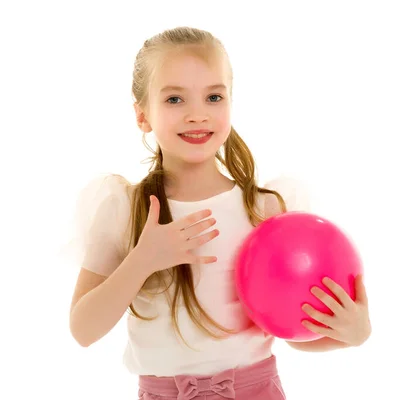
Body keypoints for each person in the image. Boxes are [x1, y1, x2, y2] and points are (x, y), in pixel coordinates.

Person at [68, 26, 371, 400]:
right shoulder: (126, 209)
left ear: (230, 103)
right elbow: (83, 330)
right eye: (175, 99)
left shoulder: (264, 210)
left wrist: (351, 335)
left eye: (213, 97)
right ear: (142, 115)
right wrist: (143, 260)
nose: (197, 114)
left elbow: (285, 332)